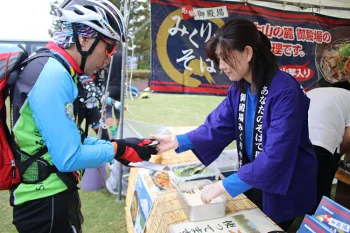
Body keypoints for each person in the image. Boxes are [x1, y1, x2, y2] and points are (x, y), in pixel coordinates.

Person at [152, 18, 317, 231]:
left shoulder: (285, 91)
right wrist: (176, 141)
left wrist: (223, 185)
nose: (221, 67)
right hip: (255, 177)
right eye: (218, 60)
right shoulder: (239, 89)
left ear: (247, 53)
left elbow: (277, 155)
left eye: (225, 58)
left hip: (285, 185)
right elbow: (217, 126)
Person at [10, 1, 157, 232]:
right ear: (84, 39)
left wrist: (121, 146)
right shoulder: (53, 74)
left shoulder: (57, 68)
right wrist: (118, 149)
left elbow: (70, 139)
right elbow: (68, 157)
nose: (109, 57)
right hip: (45, 202)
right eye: (109, 47)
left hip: (52, 195)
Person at [307, 82, 350, 209]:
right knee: (319, 195)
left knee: (293, 188)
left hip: (293, 142)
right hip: (321, 145)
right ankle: (315, 224)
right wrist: (338, 155)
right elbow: (349, 137)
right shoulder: (347, 96)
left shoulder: (313, 92)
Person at [105, 50, 123, 138]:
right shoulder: (121, 54)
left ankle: (112, 131)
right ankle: (117, 130)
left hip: (109, 86)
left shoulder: (107, 53)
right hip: (120, 86)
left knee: (107, 110)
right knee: (118, 110)